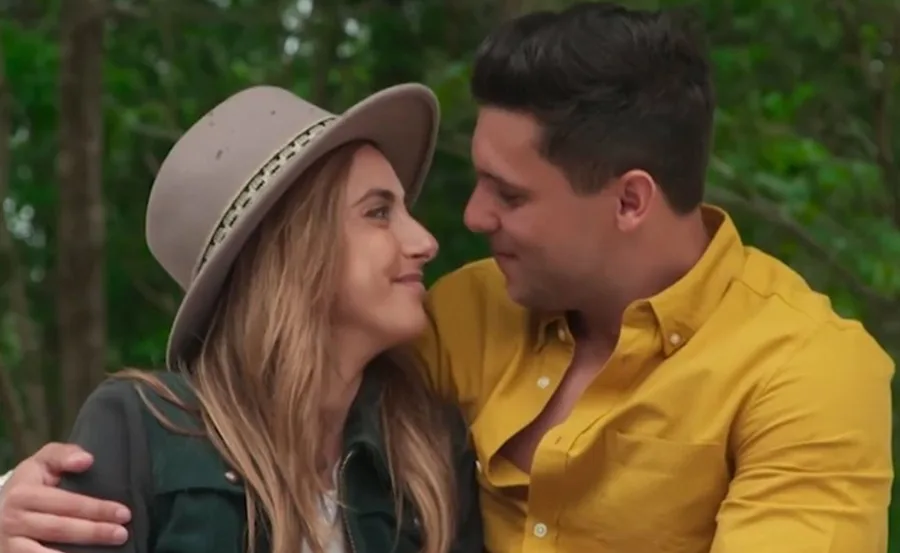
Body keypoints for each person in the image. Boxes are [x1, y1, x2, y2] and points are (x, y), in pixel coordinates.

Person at [0, 3, 894, 553]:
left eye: (510, 194)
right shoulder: (457, 320)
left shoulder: (805, 371)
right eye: (381, 211)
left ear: (630, 200)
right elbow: (271, 384)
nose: (459, 225)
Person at [0, 83, 483, 553]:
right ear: (292, 249)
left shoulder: (430, 451)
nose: (425, 242)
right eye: (378, 212)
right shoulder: (141, 431)